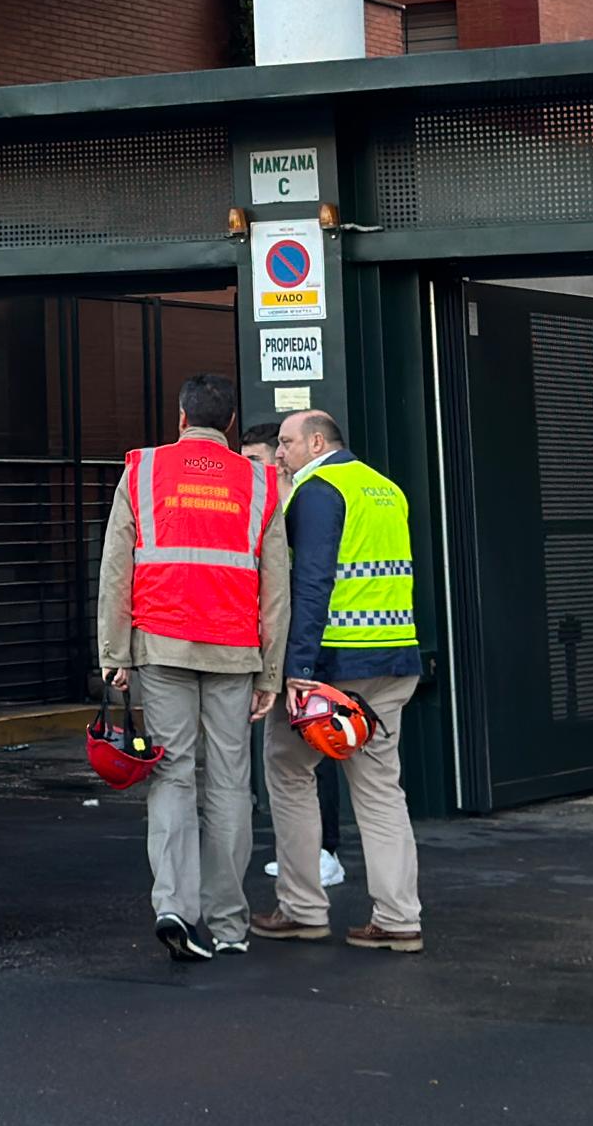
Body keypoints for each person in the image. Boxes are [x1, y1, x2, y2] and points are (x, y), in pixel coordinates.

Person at [98, 373, 286, 960]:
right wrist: (270, 673)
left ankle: (174, 906)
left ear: (182, 417)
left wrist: (113, 654)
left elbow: (115, 570)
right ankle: (230, 925)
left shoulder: (143, 471)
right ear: (230, 423)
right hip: (233, 650)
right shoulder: (261, 482)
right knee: (231, 783)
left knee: (173, 775)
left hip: (162, 644)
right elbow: (275, 589)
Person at [253, 406, 424, 952]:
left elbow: (312, 582)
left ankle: (303, 908)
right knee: (379, 790)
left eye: (286, 443)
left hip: (332, 666)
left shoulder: (320, 491)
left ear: (317, 442)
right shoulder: (385, 490)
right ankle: (399, 919)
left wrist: (296, 669)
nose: (279, 453)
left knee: (287, 768)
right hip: (393, 660)